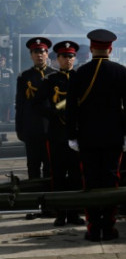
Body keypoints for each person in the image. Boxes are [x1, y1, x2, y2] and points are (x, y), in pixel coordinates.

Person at [66, 29, 126, 241]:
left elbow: (71, 108)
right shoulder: (122, 71)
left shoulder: (79, 73)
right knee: (111, 180)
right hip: (114, 137)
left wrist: (72, 135)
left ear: (90, 48)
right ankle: (108, 227)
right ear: (111, 48)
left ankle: (93, 228)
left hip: (87, 137)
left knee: (90, 181)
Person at [37, 41, 84, 227]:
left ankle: (73, 213)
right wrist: (54, 112)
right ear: (57, 59)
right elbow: (38, 104)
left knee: (75, 175)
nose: (68, 59)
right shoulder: (49, 81)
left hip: (76, 134)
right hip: (57, 134)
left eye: (71, 56)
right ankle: (60, 214)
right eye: (64, 56)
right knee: (57, 176)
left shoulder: (80, 79)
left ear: (75, 58)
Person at [15, 37, 55, 181]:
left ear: (47, 54)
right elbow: (19, 104)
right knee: (33, 166)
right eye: (36, 52)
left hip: (51, 128)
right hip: (31, 128)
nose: (39, 55)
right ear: (31, 55)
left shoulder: (54, 75)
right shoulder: (24, 77)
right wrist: (19, 128)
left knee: (50, 167)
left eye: (42, 52)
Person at [0, 54, 13, 122]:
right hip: (0, 90)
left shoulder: (9, 71)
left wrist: (11, 92)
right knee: (1, 104)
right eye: (0, 60)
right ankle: (2, 119)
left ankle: (7, 119)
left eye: (2, 60)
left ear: (5, 61)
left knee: (7, 104)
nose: (1, 62)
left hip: (7, 90)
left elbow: (12, 83)